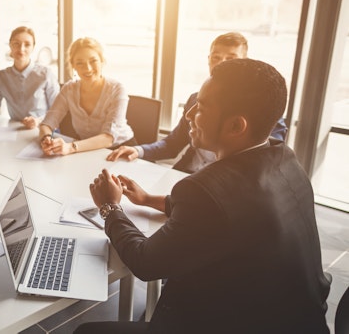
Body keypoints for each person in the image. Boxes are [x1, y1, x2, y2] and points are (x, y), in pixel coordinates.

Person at [79, 59, 330, 334]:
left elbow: (145, 262)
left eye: (202, 107)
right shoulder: (285, 159)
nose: (189, 114)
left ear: (236, 126)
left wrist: (109, 207)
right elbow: (228, 212)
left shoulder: (203, 189)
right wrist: (149, 199)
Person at [107, 32, 288, 173]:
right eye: (215, 58)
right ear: (208, 59)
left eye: (231, 59)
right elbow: (172, 144)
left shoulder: (264, 109)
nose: (220, 64)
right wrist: (138, 151)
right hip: (185, 175)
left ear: (245, 63)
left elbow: (263, 164)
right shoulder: (195, 99)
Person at [39, 37, 133, 155]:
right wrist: (46, 139)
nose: (87, 68)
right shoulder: (69, 89)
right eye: (80, 63)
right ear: (73, 66)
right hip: (87, 150)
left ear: (102, 61)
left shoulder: (117, 89)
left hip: (121, 150)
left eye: (93, 61)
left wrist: (71, 147)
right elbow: (47, 123)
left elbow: (108, 138)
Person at [0, 26, 59, 129]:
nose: (21, 49)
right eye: (16, 43)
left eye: (27, 44)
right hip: (16, 131)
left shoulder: (46, 74)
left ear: (33, 47)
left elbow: (57, 111)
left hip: (43, 130)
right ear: (10, 45)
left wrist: (38, 121)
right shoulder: (1, 77)